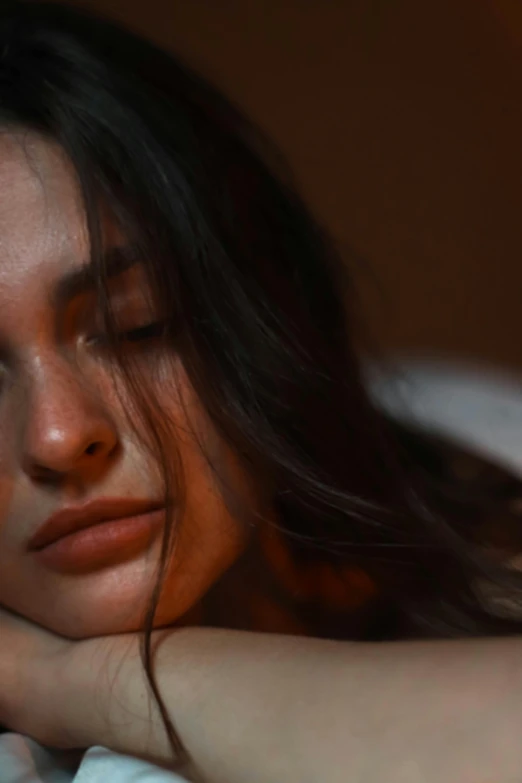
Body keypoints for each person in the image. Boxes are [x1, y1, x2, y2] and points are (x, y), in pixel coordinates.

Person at [2, 2, 522, 781]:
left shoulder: (474, 450)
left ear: (258, 311)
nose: (56, 435)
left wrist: (66, 678)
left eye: (137, 324)